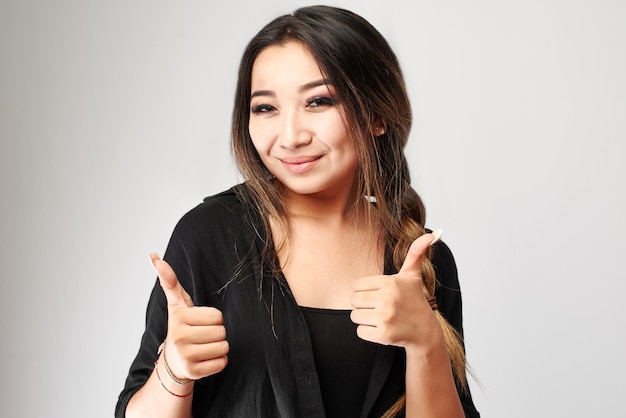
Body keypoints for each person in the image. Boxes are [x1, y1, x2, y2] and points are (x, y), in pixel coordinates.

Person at [116, 5, 480, 417]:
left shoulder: (423, 260)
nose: (289, 137)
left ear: (377, 114)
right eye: (265, 108)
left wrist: (427, 343)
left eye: (319, 101)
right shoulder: (209, 236)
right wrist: (174, 373)